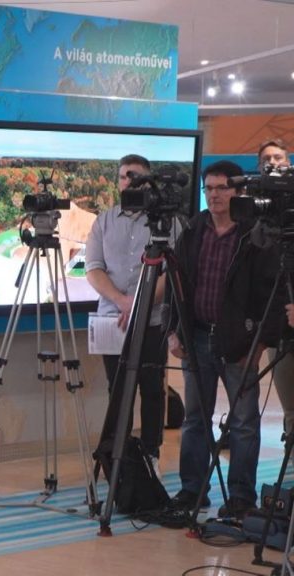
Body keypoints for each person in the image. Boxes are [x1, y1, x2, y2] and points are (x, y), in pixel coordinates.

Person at [166, 160, 281, 520]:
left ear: (238, 192)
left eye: (222, 188)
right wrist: (174, 330)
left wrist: (259, 345)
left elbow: (271, 294)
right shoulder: (193, 230)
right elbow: (176, 285)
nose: (214, 195)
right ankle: (192, 490)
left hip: (240, 343)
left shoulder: (255, 236)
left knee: (244, 422)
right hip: (196, 337)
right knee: (195, 418)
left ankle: (241, 497)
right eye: (209, 188)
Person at [85, 154, 168, 472]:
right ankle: (117, 457)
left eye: (134, 176)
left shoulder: (166, 222)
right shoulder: (103, 221)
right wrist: (123, 301)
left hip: (153, 321)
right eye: (123, 176)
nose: (128, 182)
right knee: (118, 391)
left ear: (148, 182)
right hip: (113, 322)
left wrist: (139, 305)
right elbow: (93, 269)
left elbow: (170, 273)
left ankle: (151, 456)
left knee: (152, 388)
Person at [256, 139, 294, 436]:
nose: (273, 163)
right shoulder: (257, 207)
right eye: (266, 159)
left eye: (278, 157)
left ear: (289, 162)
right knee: (291, 409)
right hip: (277, 321)